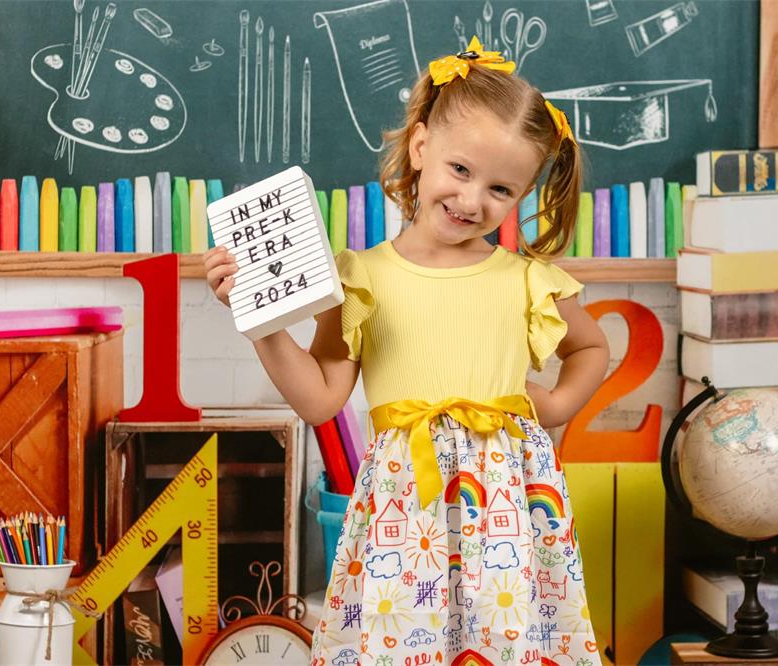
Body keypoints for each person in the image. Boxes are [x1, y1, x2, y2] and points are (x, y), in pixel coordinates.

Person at [204, 37, 608, 665]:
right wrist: (259, 322)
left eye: (502, 189)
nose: (473, 201)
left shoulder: (526, 278)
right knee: (403, 645)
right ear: (421, 148)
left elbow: (591, 346)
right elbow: (319, 398)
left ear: (523, 193)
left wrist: (553, 405)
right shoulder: (362, 276)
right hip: (404, 502)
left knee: (506, 643)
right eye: (461, 171)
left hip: (505, 507)